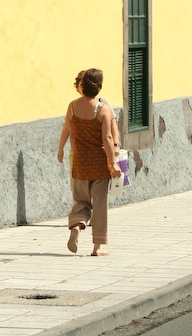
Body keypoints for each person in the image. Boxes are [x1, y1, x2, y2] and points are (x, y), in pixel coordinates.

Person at [57, 68, 121, 256]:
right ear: (99, 86)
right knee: (99, 204)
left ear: (82, 86)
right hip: (99, 163)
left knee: (81, 201)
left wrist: (61, 148)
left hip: (80, 161)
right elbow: (107, 138)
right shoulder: (103, 109)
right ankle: (97, 246)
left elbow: (67, 128)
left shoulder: (72, 106)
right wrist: (113, 163)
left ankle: (77, 226)